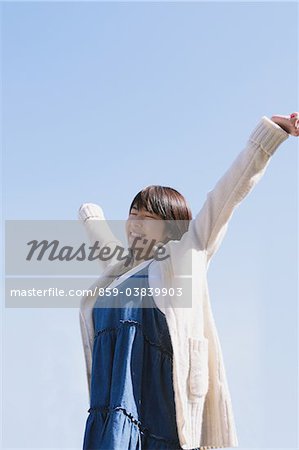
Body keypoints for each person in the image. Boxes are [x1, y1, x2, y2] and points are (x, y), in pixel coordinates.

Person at [78, 113, 299, 450]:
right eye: (132, 215)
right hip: (114, 407)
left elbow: (226, 196)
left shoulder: (184, 255)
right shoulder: (119, 270)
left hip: (162, 406)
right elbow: (100, 240)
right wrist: (89, 214)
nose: (134, 225)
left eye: (147, 218)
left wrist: (271, 134)